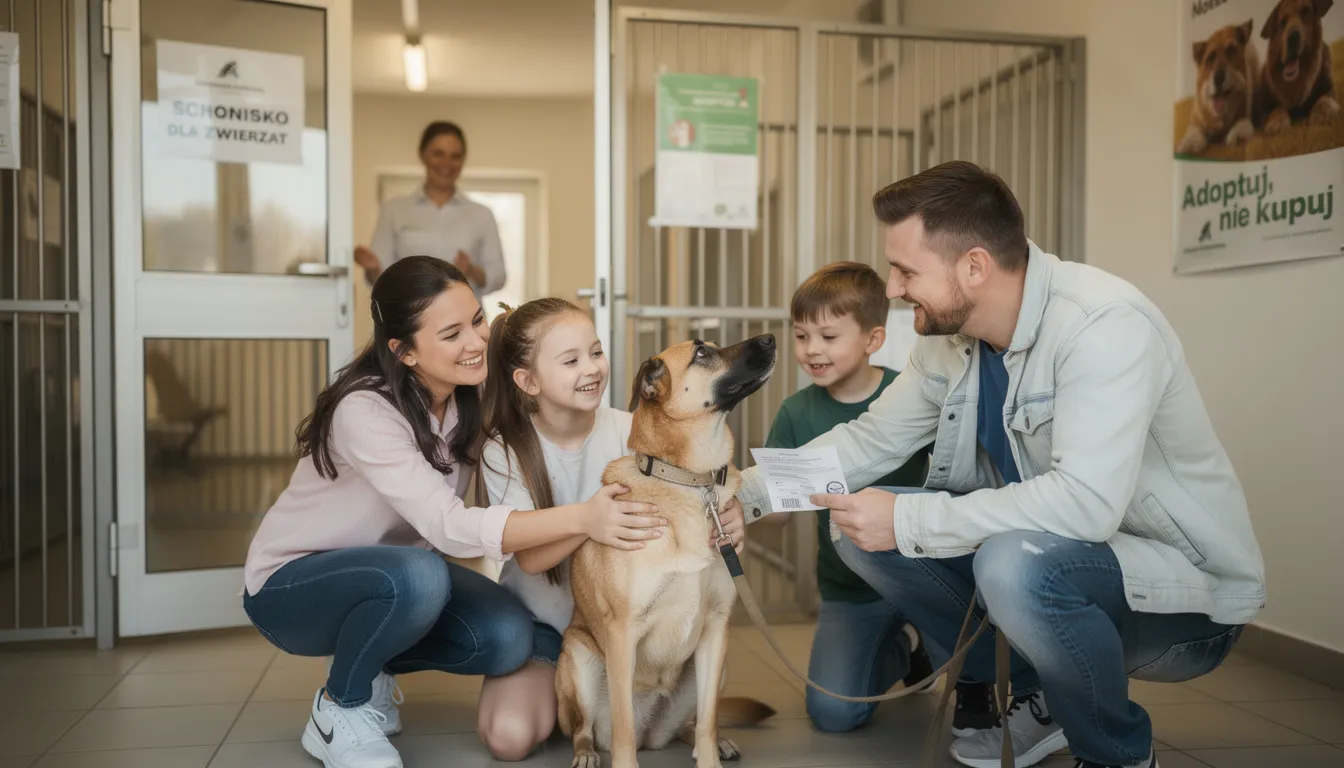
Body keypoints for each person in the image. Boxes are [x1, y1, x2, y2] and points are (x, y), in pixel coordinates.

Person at [737, 161, 1265, 768]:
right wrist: (745, 494)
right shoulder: (950, 340)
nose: (892, 288)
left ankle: (1115, 753)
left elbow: (1084, 505)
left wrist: (910, 521)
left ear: (975, 266)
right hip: (1038, 561)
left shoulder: (1104, 325)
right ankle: (1031, 699)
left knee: (1011, 561)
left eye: (907, 270)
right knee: (857, 529)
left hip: (1185, 602)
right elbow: (870, 442)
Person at [240, 257, 664, 768]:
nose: (476, 342)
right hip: (292, 587)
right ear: (404, 351)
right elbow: (449, 528)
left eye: (477, 321)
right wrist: (582, 518)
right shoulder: (365, 411)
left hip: (392, 581)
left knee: (510, 636)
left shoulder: (470, 401)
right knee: (418, 576)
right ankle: (339, 708)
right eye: (451, 333)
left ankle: (369, 658)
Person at [473, 297, 749, 761]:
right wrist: (588, 519)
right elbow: (531, 558)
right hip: (551, 629)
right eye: (571, 360)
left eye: (596, 352)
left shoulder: (634, 429)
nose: (592, 368)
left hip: (648, 627)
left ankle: (687, 723)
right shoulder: (505, 452)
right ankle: (585, 728)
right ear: (528, 381)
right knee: (509, 737)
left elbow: (697, 472)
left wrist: (731, 507)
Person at [757, 261, 961, 734]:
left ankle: (927, 640)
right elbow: (777, 518)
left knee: (975, 667)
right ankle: (905, 649)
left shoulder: (907, 395)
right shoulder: (795, 412)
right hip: (849, 589)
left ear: (873, 339)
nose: (812, 350)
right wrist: (744, 498)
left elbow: (955, 477)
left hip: (922, 572)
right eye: (802, 336)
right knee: (834, 714)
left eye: (828, 337)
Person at [354, 121, 506, 299]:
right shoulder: (394, 210)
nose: (446, 163)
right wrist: (372, 269)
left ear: (463, 160)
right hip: (410, 318)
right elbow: (380, 280)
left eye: (455, 156)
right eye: (438, 154)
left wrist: (471, 270)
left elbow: (498, 277)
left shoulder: (482, 215)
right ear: (422, 155)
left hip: (464, 317)